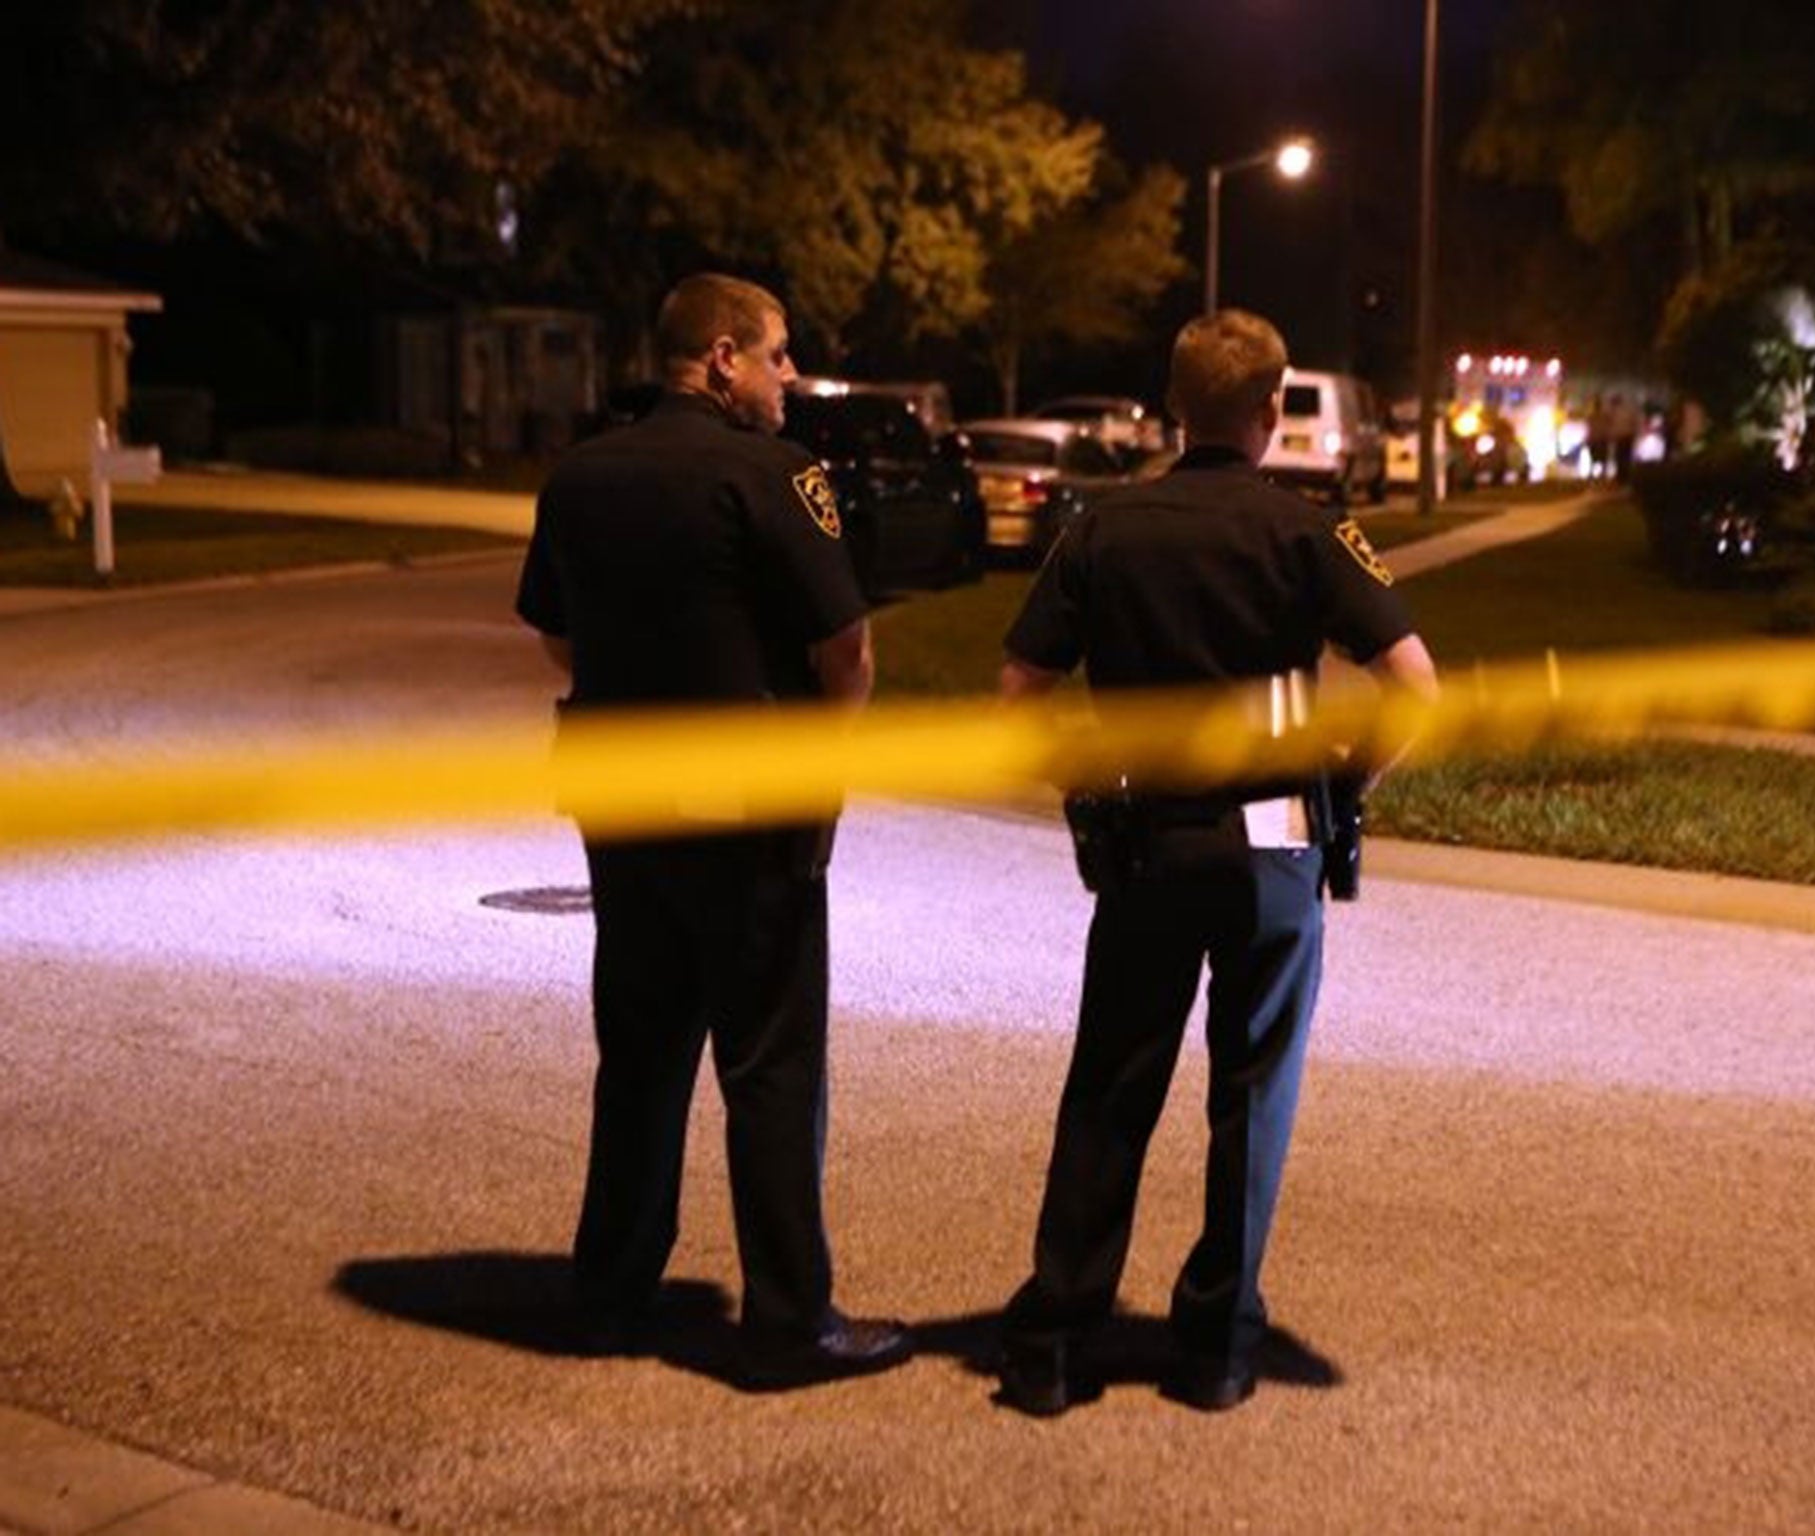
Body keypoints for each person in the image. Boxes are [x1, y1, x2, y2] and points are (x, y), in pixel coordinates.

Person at [993, 309, 1439, 1416]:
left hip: (1147, 841)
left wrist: (1088, 785)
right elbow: (1415, 686)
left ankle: (1056, 1334)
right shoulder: (1306, 531)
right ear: (1270, 408)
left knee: (1110, 1084)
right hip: (1273, 841)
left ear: (1174, 403)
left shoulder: (1103, 528)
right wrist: (1346, 787)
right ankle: (1215, 1347)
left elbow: (1020, 694)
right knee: (1251, 1094)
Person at [515, 272, 910, 1384]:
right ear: (723, 357)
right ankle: (787, 1321)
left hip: (621, 799)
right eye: (778, 355)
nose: (790, 378)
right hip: (747, 814)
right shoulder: (771, 476)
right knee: (770, 1065)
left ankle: (607, 1297)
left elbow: (557, 641)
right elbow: (849, 654)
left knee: (638, 1054)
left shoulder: (581, 474)